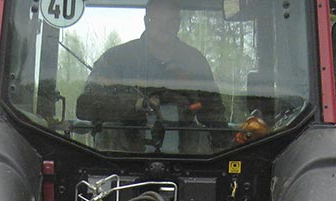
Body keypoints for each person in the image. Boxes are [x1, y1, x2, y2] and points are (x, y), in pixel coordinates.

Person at [75, 0, 225, 153]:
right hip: (118, 163)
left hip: (189, 165)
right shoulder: (116, 59)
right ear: (146, 21)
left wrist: (187, 104)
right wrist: (137, 104)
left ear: (178, 24)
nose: (164, 27)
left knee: (199, 135)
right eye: (157, 20)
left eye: (170, 21)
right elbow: (85, 106)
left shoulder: (195, 62)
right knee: (111, 130)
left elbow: (214, 113)